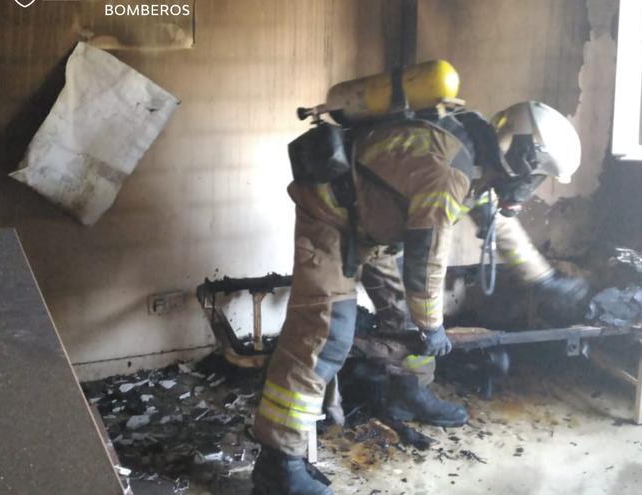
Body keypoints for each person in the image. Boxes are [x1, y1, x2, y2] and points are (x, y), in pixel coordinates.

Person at [251, 101, 589, 495]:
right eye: (536, 176)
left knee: (405, 323)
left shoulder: (479, 159)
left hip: (370, 225)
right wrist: (433, 326)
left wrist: (543, 279)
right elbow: (426, 261)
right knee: (326, 336)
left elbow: (499, 226)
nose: (532, 187)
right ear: (521, 155)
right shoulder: (448, 172)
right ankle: (278, 464)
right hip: (330, 220)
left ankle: (405, 394)